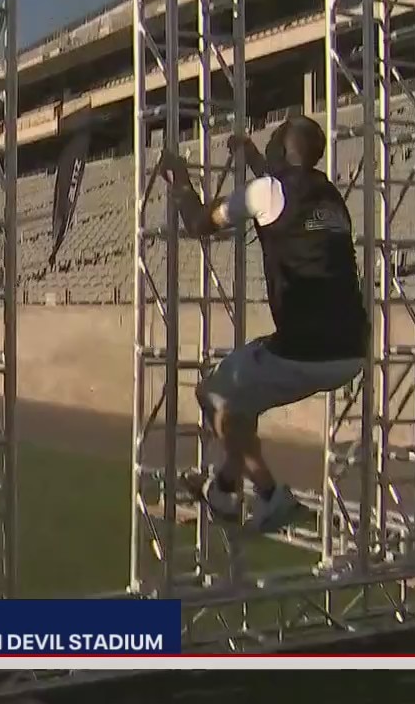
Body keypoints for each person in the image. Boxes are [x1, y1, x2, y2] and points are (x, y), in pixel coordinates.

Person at [157, 114, 368, 533]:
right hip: (351, 350)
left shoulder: (269, 191)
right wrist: (252, 157)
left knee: (211, 394)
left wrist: (179, 179)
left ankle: (270, 495)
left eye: (274, 138)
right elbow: (279, 193)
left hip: (304, 349)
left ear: (285, 150)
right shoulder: (329, 195)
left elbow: (199, 223)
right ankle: (224, 487)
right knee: (239, 406)